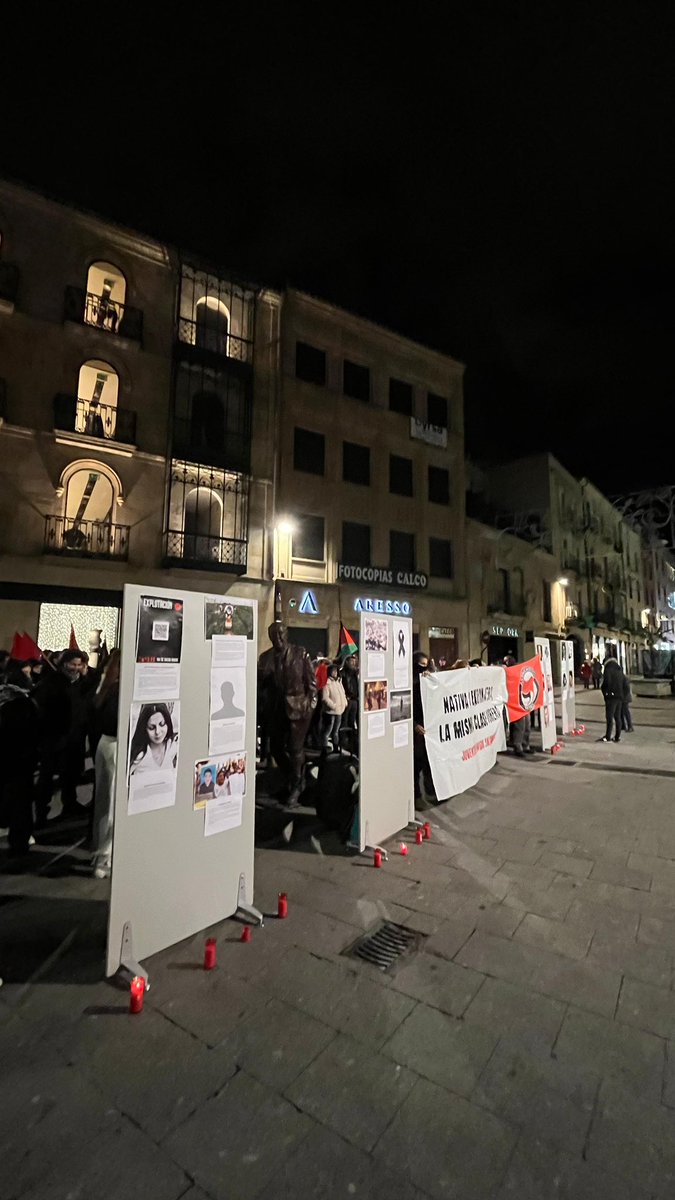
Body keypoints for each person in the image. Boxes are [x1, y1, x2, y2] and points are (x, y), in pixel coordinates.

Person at [257, 622, 317, 806]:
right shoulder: (266, 658)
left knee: (295, 748)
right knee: (275, 748)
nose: (279, 639)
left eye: (282, 635)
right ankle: (293, 778)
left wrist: (310, 705)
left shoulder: (300, 653)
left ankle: (296, 788)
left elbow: (312, 684)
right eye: (275, 636)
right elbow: (261, 686)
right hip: (277, 709)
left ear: (287, 635)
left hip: (299, 708)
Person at [32, 648, 83, 824]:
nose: (75, 668)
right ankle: (41, 813)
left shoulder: (78, 683)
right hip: (53, 738)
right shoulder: (50, 683)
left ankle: (70, 803)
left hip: (72, 738)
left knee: (70, 775)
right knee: (47, 778)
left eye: (78, 664)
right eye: (72, 664)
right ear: (63, 664)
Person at [89, 649, 120, 878]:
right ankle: (103, 855)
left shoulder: (108, 685)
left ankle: (105, 853)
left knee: (108, 803)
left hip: (111, 745)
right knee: (108, 804)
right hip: (113, 745)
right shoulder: (114, 687)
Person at [0, 676, 39, 856]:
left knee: (16, 803)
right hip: (23, 762)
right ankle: (20, 840)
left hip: (12, 762)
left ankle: (18, 839)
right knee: (21, 804)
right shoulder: (29, 705)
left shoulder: (14, 707)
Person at [412, 650, 437, 810]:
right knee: (416, 764)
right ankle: (416, 796)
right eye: (420, 666)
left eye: (426, 666)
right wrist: (414, 724)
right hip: (416, 729)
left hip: (428, 727)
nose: (423, 669)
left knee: (429, 762)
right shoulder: (410, 682)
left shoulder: (428, 681)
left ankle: (431, 792)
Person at [129, 703, 178, 773]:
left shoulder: (172, 746)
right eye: (151, 728)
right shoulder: (139, 756)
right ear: (144, 729)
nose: (157, 732)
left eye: (162, 724)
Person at [503, 654, 534, 757]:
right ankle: (518, 746)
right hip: (514, 702)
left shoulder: (518, 671)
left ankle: (525, 745)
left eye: (506, 661)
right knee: (519, 726)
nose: (505, 663)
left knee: (526, 725)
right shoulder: (506, 672)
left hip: (523, 701)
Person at [599, 650, 626, 743]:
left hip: (611, 697)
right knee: (617, 717)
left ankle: (608, 736)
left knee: (609, 717)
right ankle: (617, 736)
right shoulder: (619, 669)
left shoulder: (608, 669)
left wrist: (605, 693)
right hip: (619, 696)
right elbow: (625, 683)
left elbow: (606, 683)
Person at [321, 663, 347, 752]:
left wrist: (345, 703)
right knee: (328, 731)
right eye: (333, 671)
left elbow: (342, 694)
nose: (335, 673)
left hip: (339, 711)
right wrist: (333, 705)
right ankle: (324, 749)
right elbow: (325, 698)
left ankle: (336, 748)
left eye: (336, 671)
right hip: (331, 712)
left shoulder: (338, 682)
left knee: (336, 731)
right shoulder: (327, 683)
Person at [341, 653, 359, 731]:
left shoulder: (355, 673)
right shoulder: (342, 673)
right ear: (347, 662)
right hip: (347, 699)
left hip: (355, 699)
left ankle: (351, 737)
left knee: (352, 719)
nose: (353, 663)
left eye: (354, 661)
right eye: (351, 661)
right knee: (345, 720)